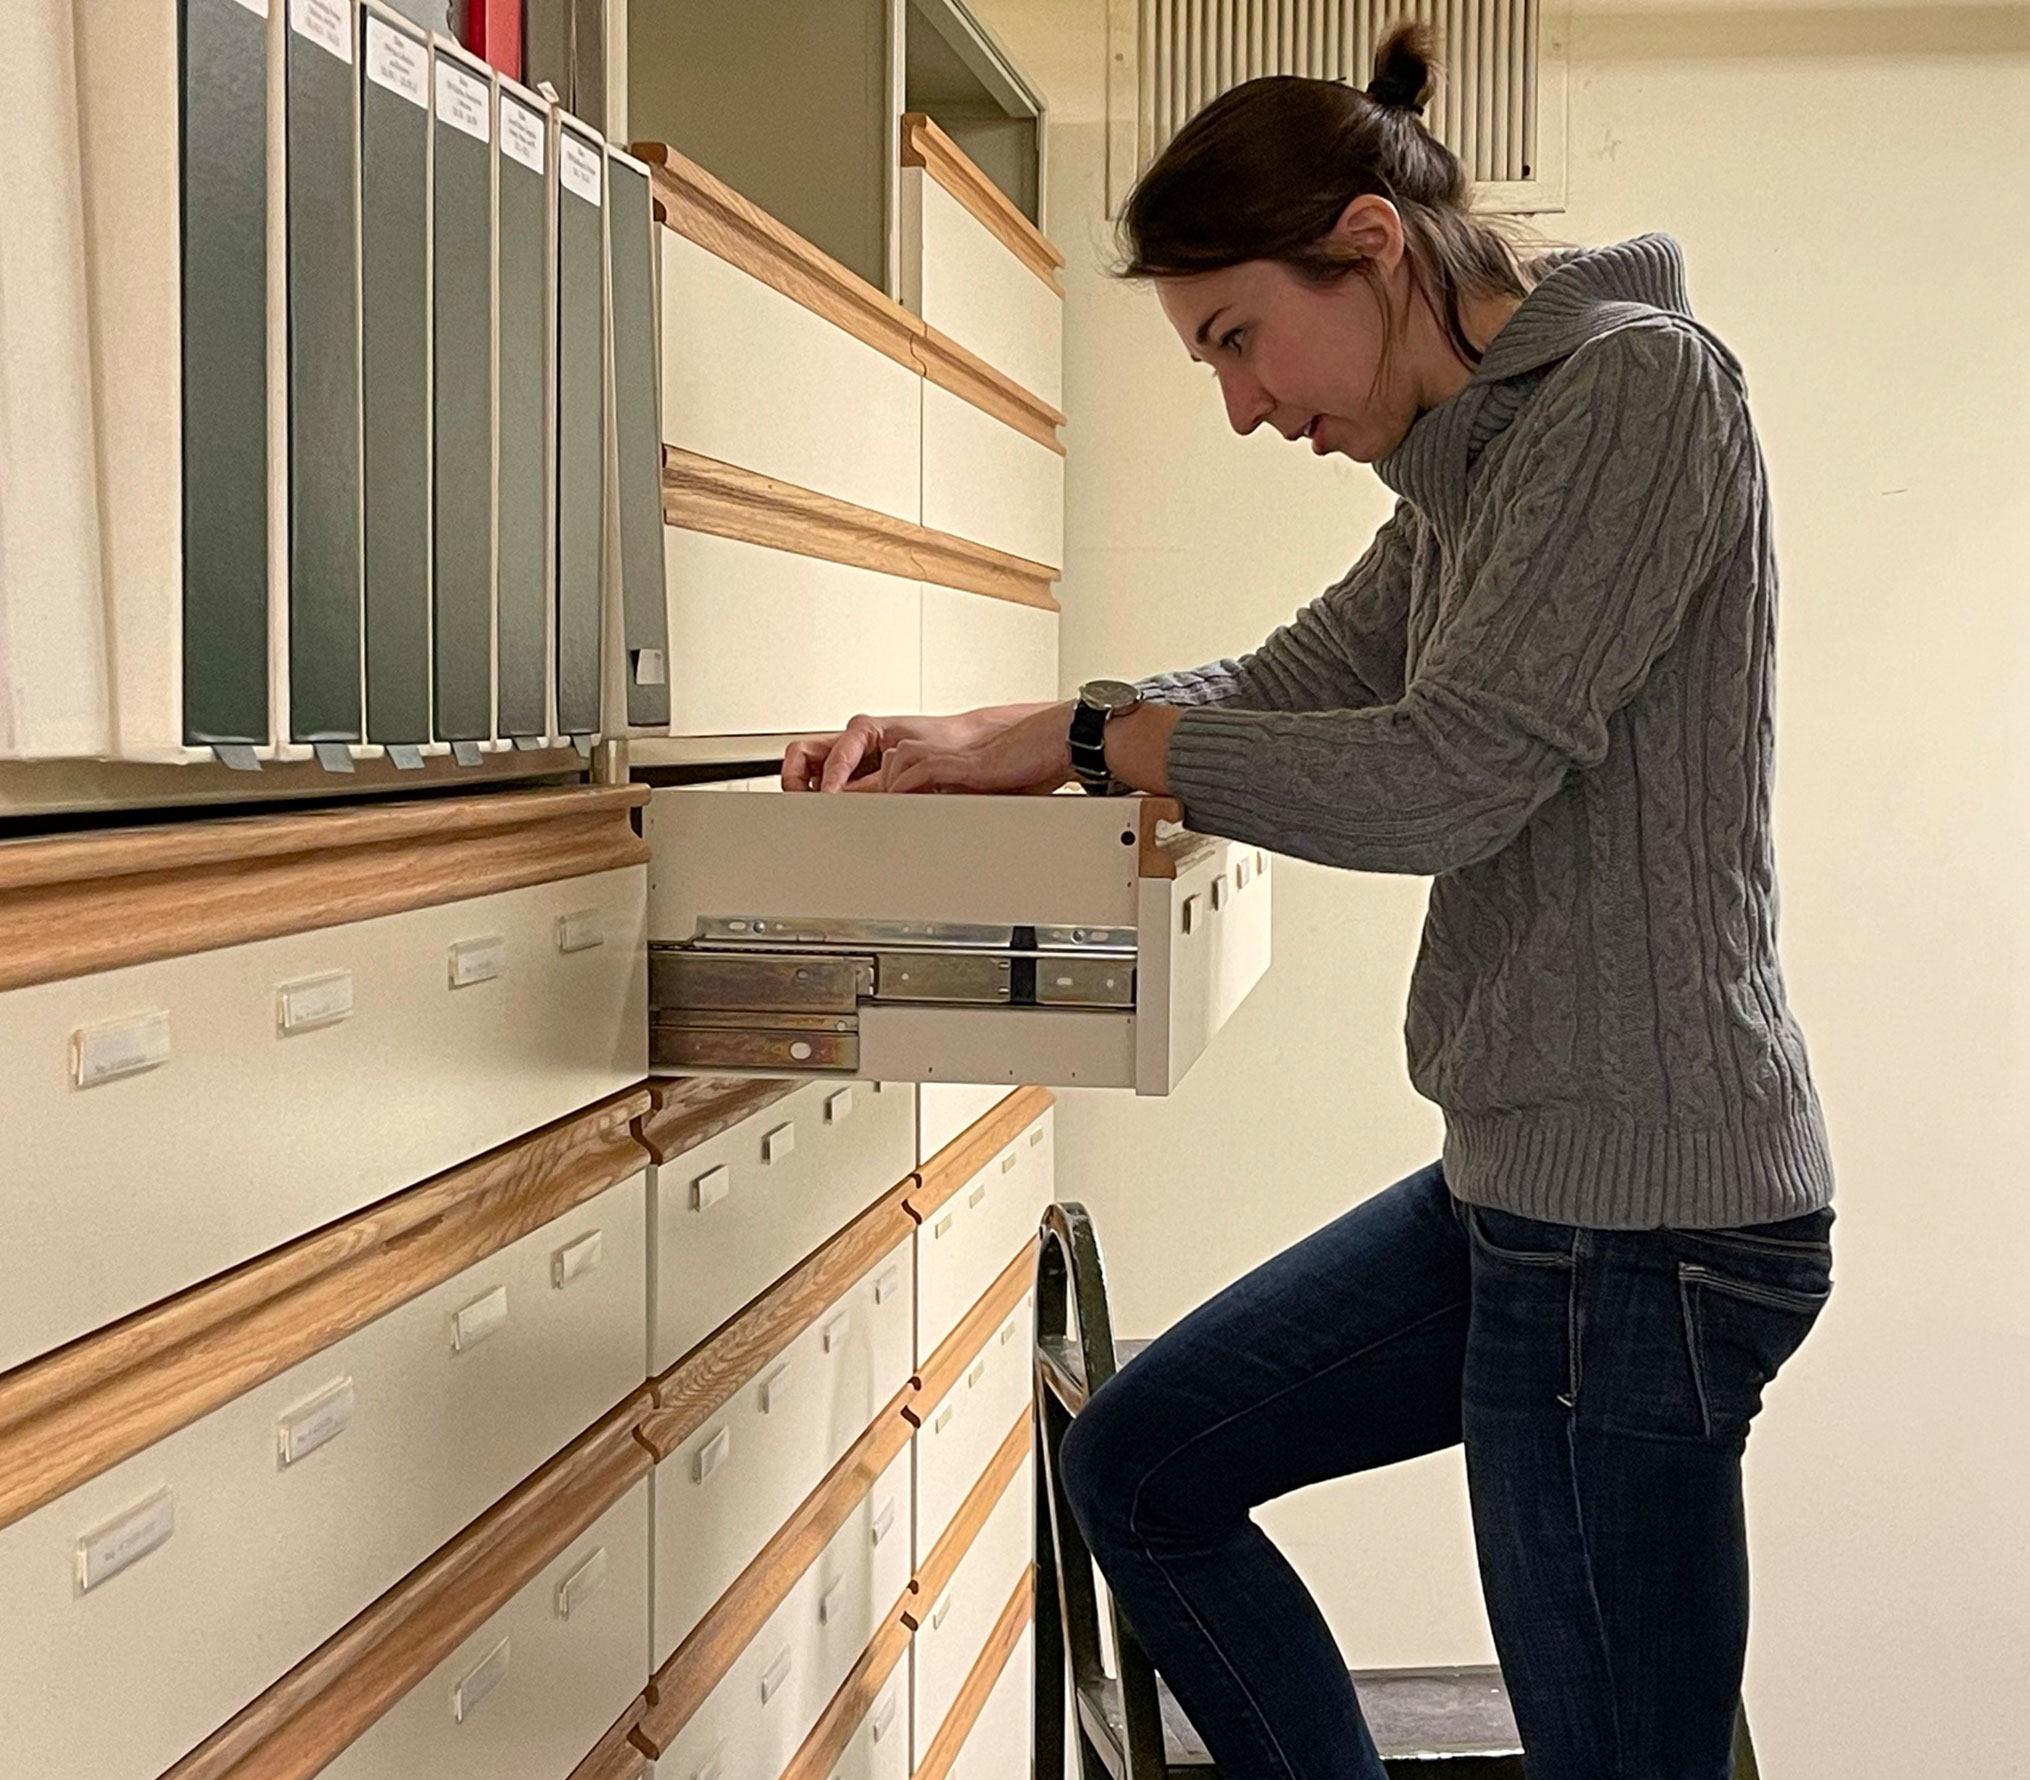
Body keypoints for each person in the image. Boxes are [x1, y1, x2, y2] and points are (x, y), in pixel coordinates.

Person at [782, 24, 1834, 1780]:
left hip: (1647, 1232)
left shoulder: (1635, 397)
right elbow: (1295, 680)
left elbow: (1444, 771)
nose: (1245, 404)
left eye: (1234, 339)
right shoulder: (1471, 463)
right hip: (1521, 1194)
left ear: (1368, 244)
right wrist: (1027, 735)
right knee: (1142, 1466)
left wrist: (1110, 741)